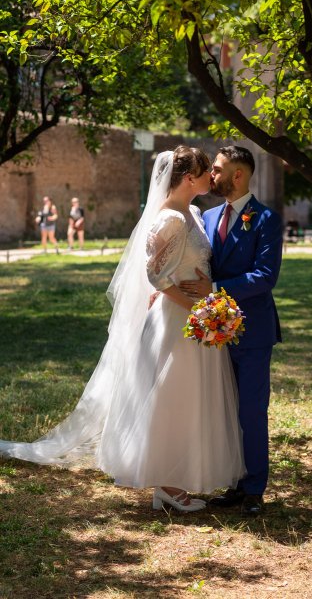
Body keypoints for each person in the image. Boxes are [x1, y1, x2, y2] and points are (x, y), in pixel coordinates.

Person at [0, 146, 245, 513]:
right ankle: (165, 484)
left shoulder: (192, 212)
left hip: (196, 321)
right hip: (178, 320)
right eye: (205, 170)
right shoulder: (169, 220)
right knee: (170, 400)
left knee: (190, 401)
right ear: (189, 178)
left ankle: (177, 479)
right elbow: (156, 276)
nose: (211, 176)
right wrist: (199, 307)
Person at [180, 146, 282, 516]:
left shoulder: (266, 219)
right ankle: (234, 481)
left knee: (252, 411)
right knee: (223, 410)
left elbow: (265, 277)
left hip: (252, 333)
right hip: (211, 333)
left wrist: (216, 289)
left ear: (238, 175)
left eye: (219, 169)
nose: (212, 175)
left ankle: (254, 488)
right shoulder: (205, 217)